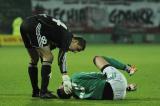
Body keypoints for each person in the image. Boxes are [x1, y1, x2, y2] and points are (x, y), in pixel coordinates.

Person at [20, 14, 86, 99]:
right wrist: (65, 76)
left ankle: (36, 91)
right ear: (75, 41)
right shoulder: (68, 37)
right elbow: (61, 58)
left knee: (34, 58)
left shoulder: (60, 37)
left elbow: (42, 54)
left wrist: (46, 69)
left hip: (25, 24)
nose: (75, 52)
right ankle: (43, 92)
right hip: (35, 25)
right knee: (49, 57)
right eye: (77, 49)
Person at [57, 56, 137, 100]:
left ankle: (127, 88)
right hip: (115, 83)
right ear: (64, 86)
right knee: (97, 58)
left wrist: (125, 87)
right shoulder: (75, 78)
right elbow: (100, 76)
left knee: (103, 86)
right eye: (61, 85)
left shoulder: (77, 96)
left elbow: (101, 90)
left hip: (116, 96)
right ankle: (129, 69)